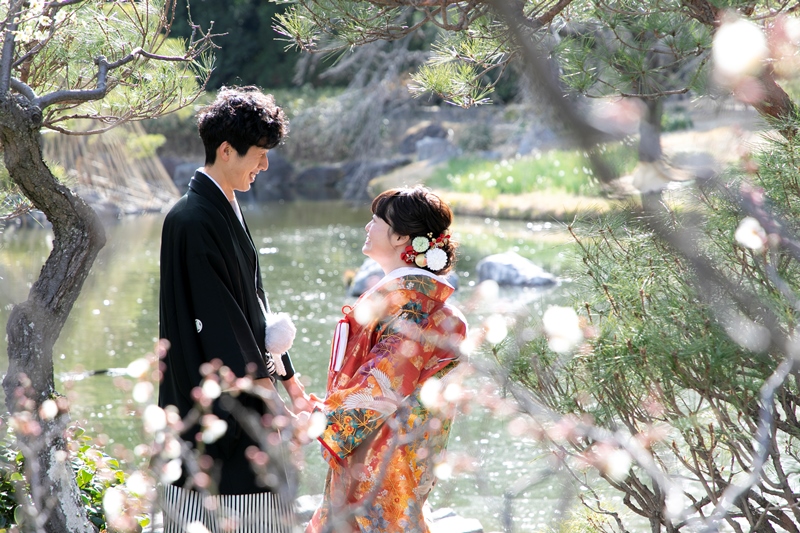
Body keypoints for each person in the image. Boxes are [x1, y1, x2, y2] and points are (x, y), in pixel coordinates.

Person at [158, 86, 309, 532]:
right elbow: (222, 323)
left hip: (244, 385)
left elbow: (252, 308)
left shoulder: (223, 206)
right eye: (259, 155)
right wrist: (272, 402)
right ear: (226, 150)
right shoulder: (191, 218)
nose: (265, 165)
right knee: (226, 499)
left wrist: (290, 383)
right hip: (215, 392)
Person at [307, 186, 468, 533]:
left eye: (376, 220)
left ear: (401, 237)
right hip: (384, 444)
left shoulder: (412, 305)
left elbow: (382, 384)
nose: (368, 226)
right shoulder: (408, 298)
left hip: (382, 451)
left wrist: (322, 417)